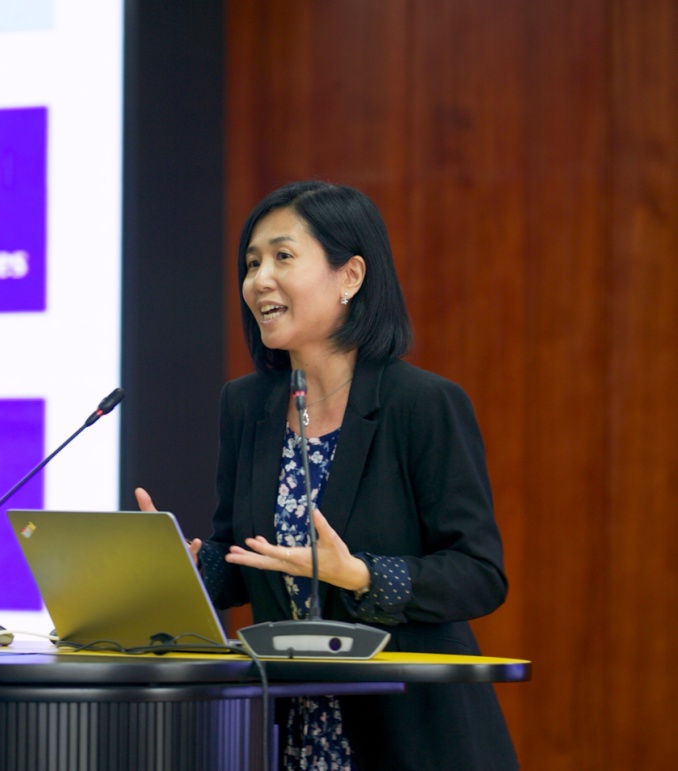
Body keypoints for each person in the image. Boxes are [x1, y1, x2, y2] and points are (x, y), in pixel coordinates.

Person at [136, 181, 517, 770]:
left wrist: (363, 575)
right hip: (292, 725)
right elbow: (246, 558)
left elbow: (479, 574)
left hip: (412, 731)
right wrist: (189, 567)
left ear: (350, 276)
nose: (259, 280)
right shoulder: (247, 405)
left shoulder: (422, 404)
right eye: (252, 264)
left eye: (283, 257)